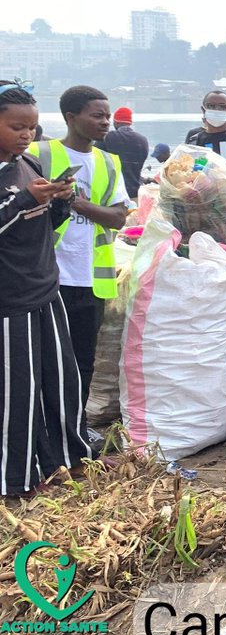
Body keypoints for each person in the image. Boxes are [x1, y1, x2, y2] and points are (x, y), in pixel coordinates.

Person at [0, 80, 93, 496]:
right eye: (17, 127)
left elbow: (44, 225)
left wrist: (58, 201)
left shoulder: (29, 166)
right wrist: (21, 203)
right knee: (16, 394)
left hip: (44, 289)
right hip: (10, 301)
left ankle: (69, 460)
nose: (27, 135)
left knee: (61, 382)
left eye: (33, 128)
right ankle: (13, 480)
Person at [27, 86, 129, 411]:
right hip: (46, 278)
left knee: (83, 361)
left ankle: (76, 428)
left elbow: (117, 218)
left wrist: (77, 203)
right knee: (43, 361)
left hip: (90, 281)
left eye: (108, 116)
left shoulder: (109, 163)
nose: (105, 123)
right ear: (72, 118)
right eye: (97, 115)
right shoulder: (36, 154)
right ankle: (44, 430)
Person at [101, 106, 149, 198]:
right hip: (135, 192)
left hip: (113, 194)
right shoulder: (143, 140)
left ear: (116, 121)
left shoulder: (108, 137)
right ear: (130, 122)